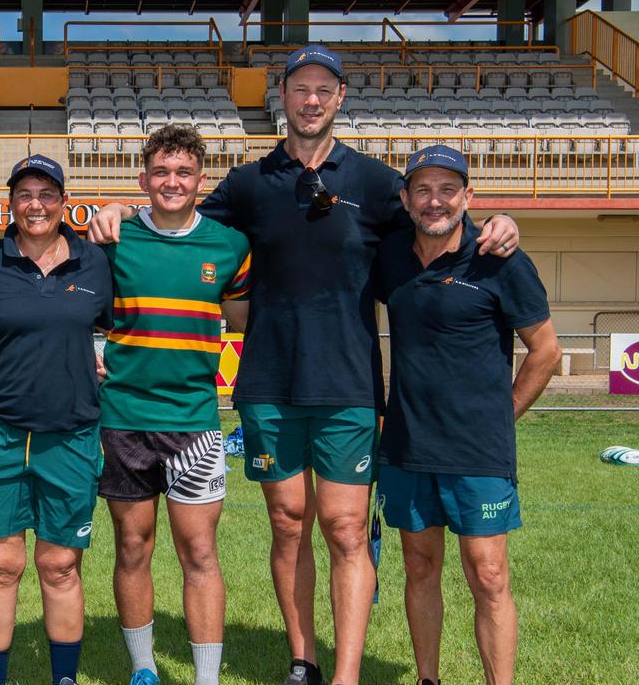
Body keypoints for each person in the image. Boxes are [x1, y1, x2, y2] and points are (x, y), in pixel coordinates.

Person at [88, 45, 522, 685]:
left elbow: (439, 218)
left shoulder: (376, 183)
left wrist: (499, 221)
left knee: (345, 528)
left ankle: (344, 675)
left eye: (324, 89)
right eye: (300, 89)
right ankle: (304, 662)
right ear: (282, 97)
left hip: (347, 384)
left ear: (340, 97)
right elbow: (173, 221)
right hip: (268, 383)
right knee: (287, 524)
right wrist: (118, 209)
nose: (311, 100)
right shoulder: (248, 183)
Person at [375, 146, 559, 685]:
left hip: (478, 451)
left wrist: (504, 416)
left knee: (489, 575)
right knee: (420, 569)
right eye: (424, 191)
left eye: (448, 190)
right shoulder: (389, 256)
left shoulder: (498, 259)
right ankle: (428, 678)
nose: (436, 202)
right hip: (407, 447)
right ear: (406, 199)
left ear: (467, 198)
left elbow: (544, 350)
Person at [96, 125, 250, 685]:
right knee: (133, 546)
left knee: (200, 552)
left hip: (195, 424)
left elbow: (246, 320)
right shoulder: (114, 239)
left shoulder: (228, 245)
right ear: (143, 178)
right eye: (160, 172)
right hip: (123, 420)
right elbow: (75, 304)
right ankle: (144, 668)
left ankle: (206, 677)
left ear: (200, 181)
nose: (171, 182)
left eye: (183, 172)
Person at [0, 155, 113, 685]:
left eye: (47, 193)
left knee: (60, 565)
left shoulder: (96, 262)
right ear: (11, 202)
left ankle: (64, 677)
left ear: (65, 202)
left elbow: (122, 327)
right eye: (25, 194)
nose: (36, 204)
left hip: (70, 434)